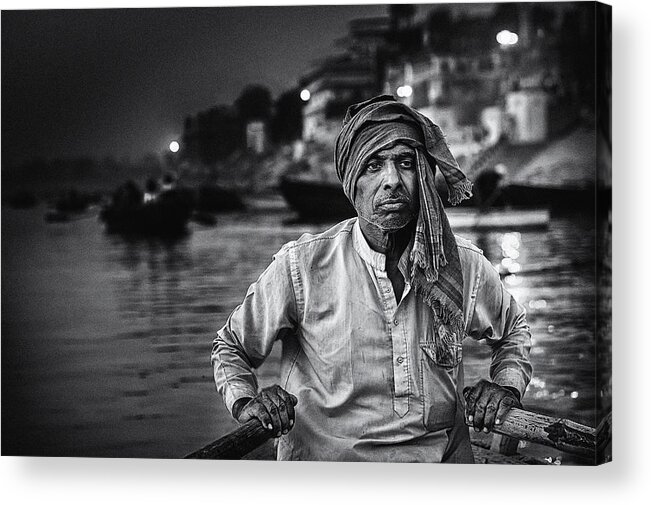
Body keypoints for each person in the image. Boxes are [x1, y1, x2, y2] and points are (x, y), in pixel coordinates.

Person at [211, 95, 532, 463]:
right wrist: (249, 402)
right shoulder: (303, 267)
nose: (392, 181)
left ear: (424, 176)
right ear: (352, 182)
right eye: (374, 165)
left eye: (406, 163)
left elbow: (513, 331)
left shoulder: (462, 264)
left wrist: (505, 387)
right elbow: (231, 347)